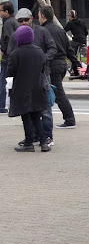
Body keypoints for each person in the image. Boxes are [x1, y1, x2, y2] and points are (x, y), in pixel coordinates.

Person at [7, 8, 56, 146]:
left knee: (43, 109)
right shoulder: (16, 35)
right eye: (20, 21)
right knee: (28, 109)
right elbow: (11, 53)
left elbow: (53, 48)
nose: (22, 23)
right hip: (23, 77)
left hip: (41, 75)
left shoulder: (42, 31)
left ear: (31, 18)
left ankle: (46, 136)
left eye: (25, 20)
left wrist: (42, 59)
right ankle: (33, 136)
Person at [39, 5, 76, 129]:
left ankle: (69, 119)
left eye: (39, 15)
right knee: (55, 91)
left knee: (58, 93)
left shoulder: (43, 31)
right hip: (62, 63)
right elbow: (69, 49)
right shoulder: (60, 30)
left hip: (52, 64)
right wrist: (75, 63)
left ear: (43, 16)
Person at [0, 1, 19, 113]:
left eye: (1, 10)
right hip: (14, 56)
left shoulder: (8, 23)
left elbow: (8, 40)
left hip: (8, 57)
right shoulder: (13, 22)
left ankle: (1, 106)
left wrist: (3, 50)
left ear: (6, 12)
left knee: (2, 81)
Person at [63, 9, 87, 76]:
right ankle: (75, 69)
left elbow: (63, 31)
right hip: (83, 41)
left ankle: (76, 69)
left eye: (69, 16)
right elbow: (86, 32)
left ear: (71, 16)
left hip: (76, 41)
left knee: (69, 50)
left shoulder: (71, 23)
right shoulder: (82, 22)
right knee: (74, 54)